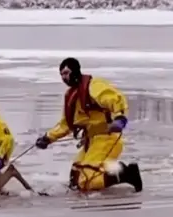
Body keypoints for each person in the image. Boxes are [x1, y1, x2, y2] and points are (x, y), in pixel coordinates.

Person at [35, 57, 142, 193]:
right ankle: (110, 172)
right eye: (61, 74)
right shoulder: (72, 96)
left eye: (67, 73)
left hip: (107, 138)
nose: (64, 77)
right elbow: (66, 124)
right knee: (75, 176)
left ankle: (126, 173)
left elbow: (114, 98)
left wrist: (119, 117)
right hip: (91, 141)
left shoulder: (93, 86)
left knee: (86, 180)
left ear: (75, 71)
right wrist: (48, 138)